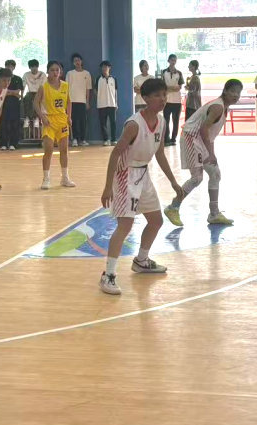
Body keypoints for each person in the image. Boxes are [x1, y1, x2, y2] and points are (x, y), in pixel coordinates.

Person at [99, 78, 185, 295]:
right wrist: (108, 187)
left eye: (164, 95)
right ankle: (108, 275)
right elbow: (115, 154)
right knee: (125, 226)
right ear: (145, 98)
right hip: (125, 175)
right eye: (157, 96)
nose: (162, 99)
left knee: (156, 220)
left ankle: (141, 260)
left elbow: (160, 153)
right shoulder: (134, 125)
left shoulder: (161, 121)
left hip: (143, 174)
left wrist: (173, 181)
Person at [164, 79, 243, 227]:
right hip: (191, 137)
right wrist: (210, 153)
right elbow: (203, 129)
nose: (236, 95)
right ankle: (173, 207)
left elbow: (209, 134)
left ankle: (214, 213)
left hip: (199, 139)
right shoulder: (218, 107)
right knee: (197, 178)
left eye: (238, 92)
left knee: (215, 173)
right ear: (225, 91)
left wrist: (212, 153)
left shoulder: (223, 107)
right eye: (233, 91)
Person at [34, 61, 76, 189]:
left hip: (62, 120)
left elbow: (69, 102)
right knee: (49, 150)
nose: (55, 72)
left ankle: (65, 178)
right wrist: (42, 117)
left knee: (64, 150)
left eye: (57, 70)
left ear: (60, 72)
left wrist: (69, 116)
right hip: (49, 121)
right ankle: (46, 178)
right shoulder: (43, 87)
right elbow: (35, 103)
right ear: (48, 71)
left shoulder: (65, 86)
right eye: (52, 70)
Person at [65, 53, 92, 146]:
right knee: (73, 120)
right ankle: (75, 139)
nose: (77, 62)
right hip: (72, 101)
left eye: (78, 60)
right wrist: (67, 101)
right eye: (75, 61)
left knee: (83, 121)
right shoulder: (69, 73)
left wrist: (87, 102)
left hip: (82, 101)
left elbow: (88, 89)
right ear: (73, 63)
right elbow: (66, 88)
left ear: (81, 61)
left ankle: (83, 139)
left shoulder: (87, 73)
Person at [0, 59, 23, 151]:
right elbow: (2, 91)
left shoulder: (18, 79)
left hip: (15, 104)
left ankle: (13, 144)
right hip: (3, 104)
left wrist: (8, 92)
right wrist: (13, 93)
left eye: (11, 66)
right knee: (3, 124)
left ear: (14, 67)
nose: (9, 67)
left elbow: (18, 92)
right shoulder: (1, 79)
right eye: (7, 66)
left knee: (14, 124)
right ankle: (3, 144)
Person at [161, 54, 184, 146]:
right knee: (166, 121)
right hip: (166, 101)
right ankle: (166, 139)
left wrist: (168, 88)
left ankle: (173, 139)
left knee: (175, 121)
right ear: (168, 61)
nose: (173, 62)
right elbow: (163, 87)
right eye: (172, 60)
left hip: (177, 101)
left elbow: (179, 87)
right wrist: (172, 88)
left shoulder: (179, 73)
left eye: (175, 60)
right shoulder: (164, 72)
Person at [96, 61, 118, 146]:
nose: (104, 68)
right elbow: (95, 90)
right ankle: (106, 139)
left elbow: (116, 92)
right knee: (103, 123)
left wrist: (116, 103)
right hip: (101, 104)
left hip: (112, 104)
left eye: (106, 67)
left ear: (109, 68)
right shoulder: (98, 79)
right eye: (103, 67)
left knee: (113, 123)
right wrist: (100, 98)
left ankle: (113, 140)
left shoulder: (114, 79)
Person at [22, 59, 45, 130]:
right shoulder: (26, 74)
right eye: (32, 67)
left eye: (35, 66)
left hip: (39, 93)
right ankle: (27, 117)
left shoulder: (42, 74)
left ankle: (37, 118)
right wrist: (22, 96)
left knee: (37, 101)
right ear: (30, 67)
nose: (34, 68)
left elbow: (44, 87)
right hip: (30, 93)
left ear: (38, 67)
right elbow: (23, 86)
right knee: (27, 98)